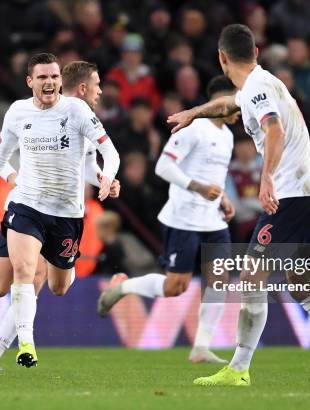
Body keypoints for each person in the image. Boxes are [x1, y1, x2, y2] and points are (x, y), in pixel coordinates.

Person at [167, 24, 310, 386]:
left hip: (290, 195)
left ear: (222, 58)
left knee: (250, 275)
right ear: (256, 53)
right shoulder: (261, 84)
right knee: (302, 282)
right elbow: (230, 103)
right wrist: (195, 112)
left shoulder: (258, 89)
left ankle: (239, 368)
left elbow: (273, 129)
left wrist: (267, 177)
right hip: (306, 194)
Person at [0, 53, 120, 369]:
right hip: (26, 207)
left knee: (57, 285)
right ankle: (22, 346)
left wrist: (105, 179)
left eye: (54, 77)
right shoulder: (19, 112)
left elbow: (90, 164)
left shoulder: (79, 115)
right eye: (97, 85)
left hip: (66, 214)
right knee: (23, 275)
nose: (100, 91)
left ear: (61, 81)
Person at [98, 76, 239, 364]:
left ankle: (201, 347)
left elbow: (212, 175)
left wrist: (222, 197)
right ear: (219, 103)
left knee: (220, 281)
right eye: (235, 102)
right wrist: (197, 188)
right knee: (176, 287)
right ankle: (122, 288)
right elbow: (163, 166)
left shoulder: (228, 135)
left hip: (213, 220)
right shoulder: (193, 129)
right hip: (183, 218)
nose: (239, 108)